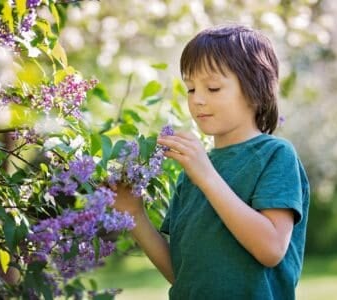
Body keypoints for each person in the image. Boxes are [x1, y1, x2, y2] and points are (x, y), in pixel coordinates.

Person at [112, 23, 310, 300]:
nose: (198, 100)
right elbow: (182, 273)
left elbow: (271, 249)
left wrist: (205, 176)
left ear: (256, 89)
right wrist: (134, 214)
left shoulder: (275, 156)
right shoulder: (193, 169)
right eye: (191, 89)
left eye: (213, 88)